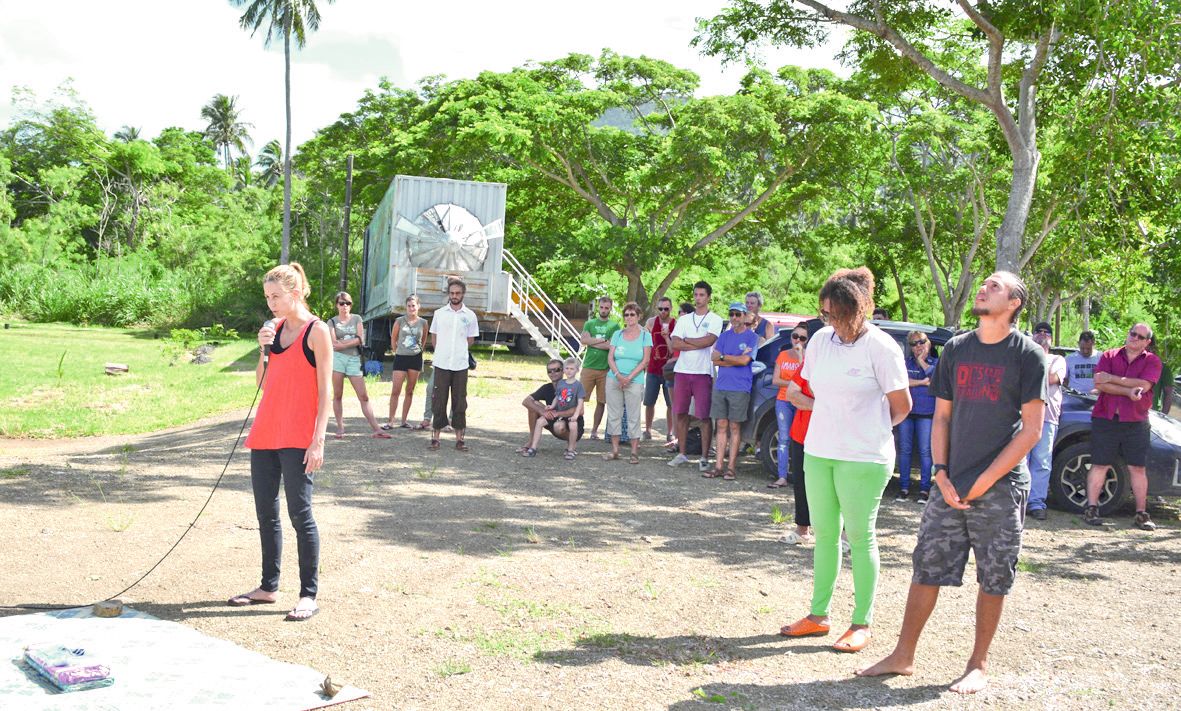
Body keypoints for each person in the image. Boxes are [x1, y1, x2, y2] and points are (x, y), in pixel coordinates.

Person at [858, 271, 1047, 694]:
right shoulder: (958, 348)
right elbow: (940, 417)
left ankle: (977, 664)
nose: (983, 288)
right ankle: (903, 655)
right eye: (983, 283)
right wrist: (940, 473)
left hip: (1000, 486)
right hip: (949, 483)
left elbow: (1032, 430)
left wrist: (984, 481)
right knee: (926, 566)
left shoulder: (1027, 355)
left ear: (1014, 302)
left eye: (994, 286)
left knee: (994, 575)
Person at [779, 267, 910, 654]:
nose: (831, 321)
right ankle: (818, 616)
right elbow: (816, 389)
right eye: (825, 313)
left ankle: (861, 623)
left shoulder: (883, 348)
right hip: (820, 451)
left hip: (864, 458)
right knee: (824, 535)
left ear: (860, 309)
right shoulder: (820, 341)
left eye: (837, 313)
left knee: (860, 536)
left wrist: (866, 428)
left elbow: (901, 407)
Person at [230, 262, 331, 622]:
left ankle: (308, 594)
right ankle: (268, 587)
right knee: (265, 513)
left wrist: (317, 441)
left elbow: (326, 391)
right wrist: (263, 349)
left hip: (299, 435)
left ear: (296, 292)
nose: (271, 303)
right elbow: (262, 382)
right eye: (268, 297)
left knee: (300, 514)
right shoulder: (272, 330)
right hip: (267, 431)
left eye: (276, 296)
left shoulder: (317, 332)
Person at [1083, 322, 1162, 530]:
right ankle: (1091, 508)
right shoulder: (1109, 356)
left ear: (1147, 342)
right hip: (1105, 419)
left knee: (1137, 468)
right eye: (1132, 333)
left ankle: (1141, 513)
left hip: (1136, 422)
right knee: (1099, 464)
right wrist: (1127, 390)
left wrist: (1112, 379)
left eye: (1139, 336)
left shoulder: (1152, 361)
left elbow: (1144, 386)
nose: (1134, 338)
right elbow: (1099, 383)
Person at [668, 282, 723, 471]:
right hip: (683, 371)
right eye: (696, 295)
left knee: (704, 416)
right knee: (681, 412)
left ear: (708, 297)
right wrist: (697, 343)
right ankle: (682, 453)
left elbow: (710, 340)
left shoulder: (715, 319)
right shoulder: (684, 320)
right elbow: (675, 343)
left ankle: (704, 457)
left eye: (701, 295)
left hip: (702, 372)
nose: (698, 298)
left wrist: (688, 341)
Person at [704, 302, 759, 480]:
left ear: (744, 316)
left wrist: (724, 358)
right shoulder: (724, 336)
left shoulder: (752, 337)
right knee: (720, 425)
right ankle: (718, 466)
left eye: (737, 314)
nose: (734, 318)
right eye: (732, 314)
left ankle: (731, 467)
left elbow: (745, 361)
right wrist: (732, 359)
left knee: (735, 427)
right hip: (722, 385)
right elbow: (714, 358)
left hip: (740, 387)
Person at [324, 292, 389, 440]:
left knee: (363, 396)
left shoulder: (357, 319)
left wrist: (344, 343)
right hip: (338, 360)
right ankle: (340, 427)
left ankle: (376, 428)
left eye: (347, 303)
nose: (345, 306)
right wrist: (351, 341)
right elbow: (333, 344)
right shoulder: (332, 322)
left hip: (354, 359)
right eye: (341, 303)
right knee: (338, 395)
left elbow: (360, 340)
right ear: (337, 305)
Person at [783, 319, 825, 543]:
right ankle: (802, 529)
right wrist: (824, 407)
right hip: (802, 431)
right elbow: (793, 393)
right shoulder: (809, 363)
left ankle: (844, 533)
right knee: (801, 480)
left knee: (835, 485)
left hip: (831, 435)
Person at [428, 278, 478, 451]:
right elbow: (434, 335)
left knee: (460, 401)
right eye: (452, 293)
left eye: (457, 293)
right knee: (438, 400)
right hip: (442, 363)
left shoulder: (470, 315)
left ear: (463, 294)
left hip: (460, 364)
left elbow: (470, 339)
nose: (454, 296)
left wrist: (458, 350)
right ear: (448, 294)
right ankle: (435, 437)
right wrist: (441, 351)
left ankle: (460, 439)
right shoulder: (439, 313)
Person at [602, 303, 652, 463]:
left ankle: (634, 452)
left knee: (633, 415)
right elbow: (610, 357)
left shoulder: (645, 336)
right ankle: (615, 450)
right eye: (626, 314)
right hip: (614, 378)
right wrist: (618, 375)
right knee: (614, 414)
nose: (629, 317)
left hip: (635, 380)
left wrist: (629, 377)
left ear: (639, 316)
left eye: (632, 314)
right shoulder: (617, 334)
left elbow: (646, 360)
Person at [1027, 322, 1065, 521]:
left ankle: (1036, 502)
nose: (1042, 335)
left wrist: (1030, 374)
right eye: (1038, 331)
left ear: (1051, 338)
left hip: (1048, 417)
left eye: (1046, 332)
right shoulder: (1023, 355)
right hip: (1023, 415)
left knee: (1041, 461)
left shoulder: (1058, 359)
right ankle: (1018, 500)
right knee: (1019, 460)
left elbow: (1052, 378)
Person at [895, 330, 938, 502]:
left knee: (925, 452)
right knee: (904, 450)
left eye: (920, 342)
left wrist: (922, 362)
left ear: (928, 343)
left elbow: (936, 380)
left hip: (927, 414)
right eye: (913, 344)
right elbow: (902, 381)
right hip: (907, 412)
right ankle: (903, 488)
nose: (918, 346)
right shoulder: (905, 363)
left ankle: (924, 489)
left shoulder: (936, 362)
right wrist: (922, 382)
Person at [768, 323, 808, 489]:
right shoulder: (783, 355)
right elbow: (775, 380)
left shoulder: (808, 357)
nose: (797, 340)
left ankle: (801, 477)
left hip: (802, 402)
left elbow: (806, 378)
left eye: (802, 338)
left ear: (806, 340)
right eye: (795, 336)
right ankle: (782, 476)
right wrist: (793, 384)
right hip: (783, 400)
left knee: (801, 439)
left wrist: (800, 358)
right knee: (784, 438)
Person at [520, 358, 586, 458]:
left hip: (568, 421)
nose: (553, 373)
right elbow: (526, 401)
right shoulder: (551, 387)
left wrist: (557, 414)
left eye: (557, 370)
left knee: (559, 426)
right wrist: (543, 411)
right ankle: (532, 446)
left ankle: (571, 446)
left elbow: (580, 410)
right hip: (554, 417)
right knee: (534, 405)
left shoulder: (577, 385)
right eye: (549, 371)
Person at [579, 296, 621, 440]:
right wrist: (603, 340)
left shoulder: (614, 326)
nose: (603, 310)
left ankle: (594, 431)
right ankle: (578, 426)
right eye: (601, 307)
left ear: (610, 308)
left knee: (601, 401)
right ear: (598, 307)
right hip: (588, 367)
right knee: (580, 398)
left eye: (606, 308)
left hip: (605, 369)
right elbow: (584, 340)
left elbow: (611, 346)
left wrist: (593, 342)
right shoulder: (589, 323)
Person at [384, 294, 427, 430]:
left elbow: (424, 340)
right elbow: (393, 338)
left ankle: (404, 420)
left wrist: (418, 351)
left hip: (415, 358)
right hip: (401, 357)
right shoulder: (399, 321)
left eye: (413, 305)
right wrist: (397, 351)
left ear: (418, 306)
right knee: (396, 390)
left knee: (410, 390)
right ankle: (390, 421)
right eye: (409, 306)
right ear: (406, 307)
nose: (411, 308)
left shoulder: (423, 323)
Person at [644, 297, 676, 443]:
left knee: (670, 403)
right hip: (653, 367)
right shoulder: (651, 322)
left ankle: (670, 432)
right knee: (649, 401)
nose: (663, 312)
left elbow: (675, 348)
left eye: (666, 309)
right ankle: (648, 430)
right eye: (660, 309)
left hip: (669, 369)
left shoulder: (676, 323)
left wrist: (667, 336)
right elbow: (645, 343)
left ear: (671, 309)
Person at [1148, 336, 1174, 414]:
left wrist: (1163, 416)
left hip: (1150, 413)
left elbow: (1168, 393)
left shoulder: (1163, 368)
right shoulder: (1125, 361)